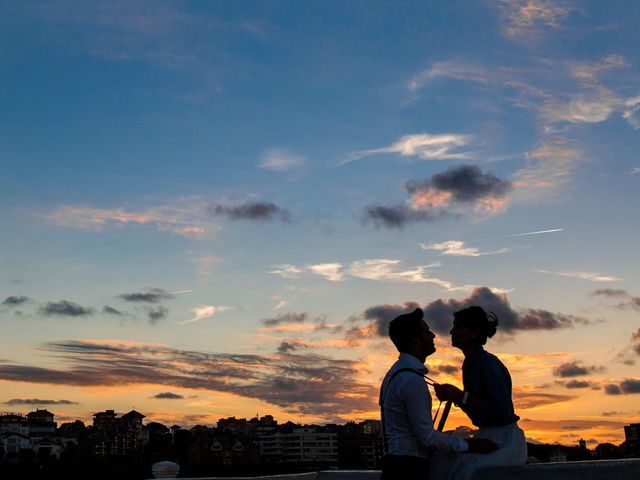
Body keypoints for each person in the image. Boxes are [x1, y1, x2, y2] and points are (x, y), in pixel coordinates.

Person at [379, 308, 497, 480]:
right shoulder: (411, 380)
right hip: (408, 469)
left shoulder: (396, 374)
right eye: (426, 331)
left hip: (397, 465)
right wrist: (471, 445)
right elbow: (427, 437)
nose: (433, 335)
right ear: (416, 342)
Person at [431, 306, 527, 480]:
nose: (452, 331)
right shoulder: (472, 362)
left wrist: (460, 397)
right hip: (491, 435)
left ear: (474, 332)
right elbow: (479, 410)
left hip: (503, 441)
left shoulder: (486, 364)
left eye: (458, 327)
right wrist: (456, 397)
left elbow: (501, 413)